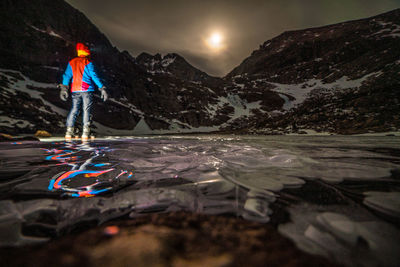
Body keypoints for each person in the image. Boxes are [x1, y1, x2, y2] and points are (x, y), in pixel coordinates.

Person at [58, 43, 108, 139]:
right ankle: (85, 132)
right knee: (86, 110)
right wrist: (102, 88)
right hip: (86, 90)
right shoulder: (87, 62)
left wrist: (64, 89)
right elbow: (94, 76)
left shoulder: (72, 62)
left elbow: (67, 76)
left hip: (75, 90)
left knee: (74, 109)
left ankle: (69, 131)